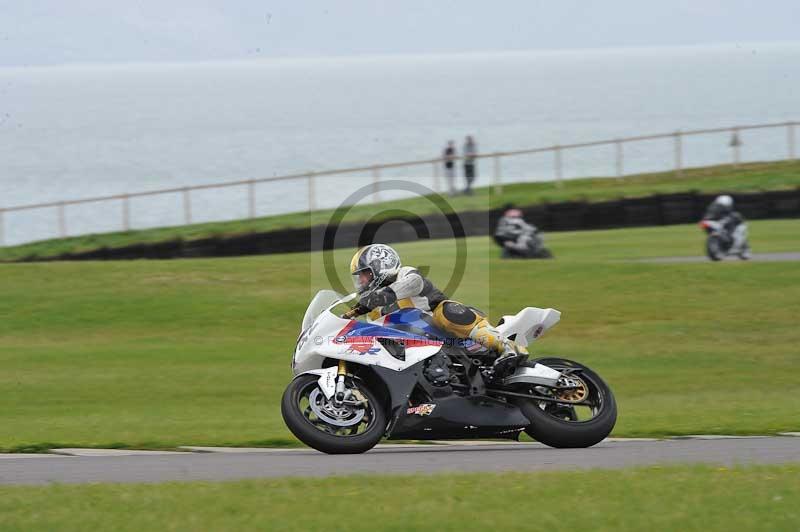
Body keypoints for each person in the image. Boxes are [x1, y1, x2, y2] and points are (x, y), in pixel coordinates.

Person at [348, 244, 523, 373]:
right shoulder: (373, 309)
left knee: (445, 311)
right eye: (359, 277)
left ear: (382, 265)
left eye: (365, 274)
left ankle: (507, 347)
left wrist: (375, 298)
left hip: (445, 331)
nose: (362, 281)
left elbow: (411, 284)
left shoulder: (406, 274)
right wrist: (347, 317)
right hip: (415, 347)